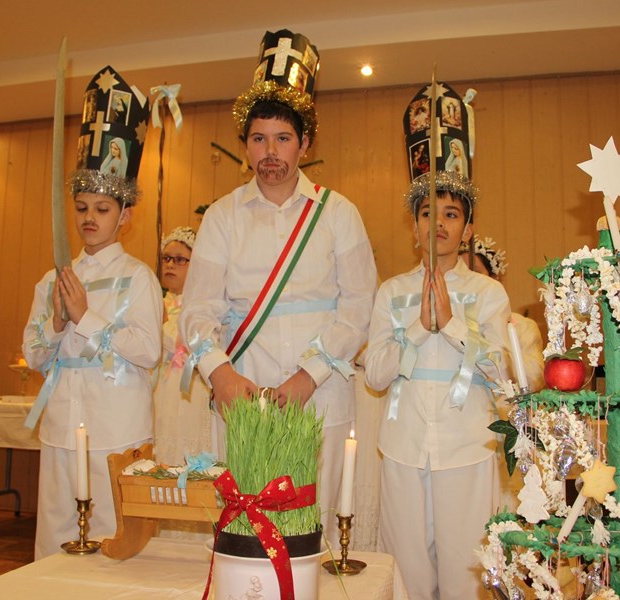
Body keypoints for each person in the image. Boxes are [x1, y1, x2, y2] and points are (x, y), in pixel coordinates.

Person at [179, 30, 377, 539]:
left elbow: (358, 308)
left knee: (316, 528)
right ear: (246, 145)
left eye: (283, 138)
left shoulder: (339, 214)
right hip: (243, 399)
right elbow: (196, 309)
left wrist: (309, 377)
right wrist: (220, 375)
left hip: (321, 398)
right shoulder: (221, 217)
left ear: (305, 144)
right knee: (246, 529)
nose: (270, 152)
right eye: (259, 138)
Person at [22, 66, 161, 560]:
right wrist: (58, 322)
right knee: (55, 535)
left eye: (102, 209)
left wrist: (86, 316)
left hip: (116, 428)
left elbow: (148, 351)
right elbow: (34, 356)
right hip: (62, 424)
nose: (88, 218)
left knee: (111, 538)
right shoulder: (52, 279)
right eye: (81, 207)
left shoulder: (138, 277)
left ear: (124, 216)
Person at [365, 169, 510, 600]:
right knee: (406, 574)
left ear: (468, 229)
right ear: (415, 226)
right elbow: (374, 374)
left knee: (466, 572)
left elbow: (503, 372)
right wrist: (416, 328)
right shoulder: (391, 292)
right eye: (429, 213)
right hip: (403, 447)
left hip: (467, 447)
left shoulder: (488, 294)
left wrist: (450, 325)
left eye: (452, 214)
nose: (439, 224)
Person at [153, 226, 215, 466]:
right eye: (166, 258)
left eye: (180, 260)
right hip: (161, 384)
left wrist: (163, 327)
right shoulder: (156, 302)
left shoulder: (201, 306)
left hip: (192, 386)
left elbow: (190, 343)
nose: (170, 265)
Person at [460, 236, 545, 392]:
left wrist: (499, 362)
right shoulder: (447, 324)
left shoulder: (523, 327)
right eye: (461, 274)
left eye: (475, 272)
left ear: (494, 279)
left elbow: (535, 378)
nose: (468, 281)